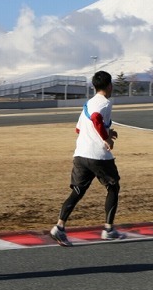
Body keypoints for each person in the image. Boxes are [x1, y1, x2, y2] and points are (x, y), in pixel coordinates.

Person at [50, 70, 125, 247]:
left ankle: (59, 227)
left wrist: (108, 131)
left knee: (77, 191)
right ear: (109, 86)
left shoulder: (88, 103)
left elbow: (79, 129)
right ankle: (108, 230)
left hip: (80, 155)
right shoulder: (105, 103)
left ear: (94, 86)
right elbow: (96, 118)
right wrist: (106, 138)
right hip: (98, 156)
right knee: (113, 186)